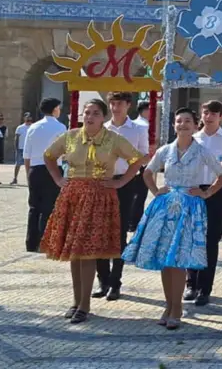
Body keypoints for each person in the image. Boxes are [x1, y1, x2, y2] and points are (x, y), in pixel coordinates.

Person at [40, 98, 144, 324]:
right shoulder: (71, 136)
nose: (90, 117)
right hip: (73, 195)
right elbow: (48, 156)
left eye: (95, 113)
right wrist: (58, 178)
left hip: (100, 195)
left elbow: (137, 159)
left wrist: (121, 181)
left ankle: (84, 304)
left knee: (87, 250)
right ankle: (77, 301)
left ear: (103, 117)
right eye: (87, 112)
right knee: (75, 253)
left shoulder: (113, 138)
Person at [123, 106, 222, 330]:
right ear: (174, 125)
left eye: (188, 121)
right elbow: (148, 172)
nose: (183, 125)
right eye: (179, 121)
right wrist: (156, 191)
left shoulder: (201, 151)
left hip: (189, 208)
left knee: (178, 259)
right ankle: (168, 305)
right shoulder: (165, 150)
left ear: (195, 124)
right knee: (165, 259)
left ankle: (177, 308)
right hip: (166, 207)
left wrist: (206, 192)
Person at [96, 92, 152, 300]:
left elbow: (144, 156)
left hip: (126, 183)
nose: (115, 107)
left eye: (119, 103)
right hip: (102, 182)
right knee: (100, 232)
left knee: (118, 233)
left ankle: (115, 282)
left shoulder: (138, 129)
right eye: (112, 103)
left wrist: (124, 175)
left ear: (128, 105)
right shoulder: (102, 128)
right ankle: (102, 279)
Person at [184, 101, 222, 306]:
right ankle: (190, 283)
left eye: (213, 113)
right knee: (190, 236)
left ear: (221, 116)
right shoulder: (192, 139)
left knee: (210, 240)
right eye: (206, 112)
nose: (209, 116)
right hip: (193, 190)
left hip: (216, 190)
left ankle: (205, 287)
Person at [25, 99, 66, 252]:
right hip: (53, 168)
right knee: (49, 206)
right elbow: (64, 150)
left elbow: (26, 154)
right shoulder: (60, 127)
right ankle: (45, 241)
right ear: (55, 109)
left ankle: (31, 242)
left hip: (35, 169)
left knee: (34, 206)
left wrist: (28, 173)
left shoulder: (33, 127)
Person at [12, 113, 33, 185]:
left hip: (30, 149)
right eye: (27, 118)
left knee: (30, 165)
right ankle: (15, 178)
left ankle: (30, 179)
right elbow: (16, 138)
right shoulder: (20, 127)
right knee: (18, 164)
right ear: (24, 118)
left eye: (29, 118)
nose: (28, 119)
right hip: (20, 148)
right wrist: (16, 147)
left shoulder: (33, 127)